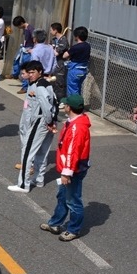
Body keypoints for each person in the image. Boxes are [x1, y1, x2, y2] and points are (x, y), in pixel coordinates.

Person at [39, 94, 91, 241]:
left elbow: (72, 152)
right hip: (70, 168)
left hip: (73, 169)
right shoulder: (74, 122)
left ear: (69, 107)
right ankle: (55, 223)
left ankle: (74, 229)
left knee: (73, 200)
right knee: (62, 196)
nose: (64, 106)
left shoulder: (77, 127)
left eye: (65, 105)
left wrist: (66, 173)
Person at [8, 61, 58, 193]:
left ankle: (23, 184)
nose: (30, 75)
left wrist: (48, 122)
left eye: (32, 72)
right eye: (28, 72)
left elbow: (46, 107)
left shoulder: (40, 86)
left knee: (27, 152)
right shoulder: (41, 84)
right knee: (42, 151)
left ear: (40, 72)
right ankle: (38, 179)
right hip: (45, 122)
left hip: (40, 122)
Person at [63, 26, 90, 96]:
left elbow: (64, 55)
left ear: (77, 36)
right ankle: (78, 104)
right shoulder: (87, 46)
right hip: (83, 71)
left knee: (72, 90)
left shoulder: (75, 47)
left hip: (74, 70)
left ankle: (73, 106)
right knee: (78, 88)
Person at [12, 15, 35, 93]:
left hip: (28, 50)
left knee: (25, 68)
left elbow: (35, 40)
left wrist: (33, 49)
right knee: (17, 61)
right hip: (24, 48)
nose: (18, 28)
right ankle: (15, 74)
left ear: (21, 23)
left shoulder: (30, 29)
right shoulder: (25, 29)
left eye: (18, 26)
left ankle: (25, 87)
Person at [49, 22, 69, 99]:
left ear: (56, 30)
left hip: (60, 65)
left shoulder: (63, 40)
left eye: (51, 30)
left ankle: (61, 100)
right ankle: (53, 98)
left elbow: (56, 53)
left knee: (59, 83)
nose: (50, 31)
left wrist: (51, 48)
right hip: (53, 64)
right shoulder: (53, 40)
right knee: (52, 82)